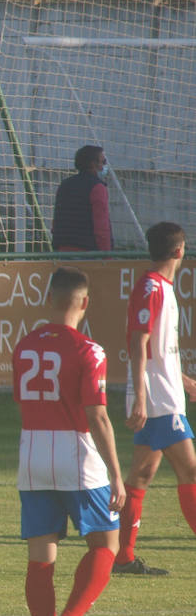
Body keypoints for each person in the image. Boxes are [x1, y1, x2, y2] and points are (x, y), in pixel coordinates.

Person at [12, 267, 124, 616]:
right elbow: (98, 416)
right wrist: (115, 472)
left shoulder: (24, 346)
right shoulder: (88, 350)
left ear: (49, 299)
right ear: (85, 303)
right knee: (108, 544)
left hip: (32, 455)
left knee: (41, 557)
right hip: (74, 456)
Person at [114, 221, 196, 576]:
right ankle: (122, 556)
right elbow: (137, 342)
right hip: (159, 401)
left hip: (162, 394)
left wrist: (185, 381)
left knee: (142, 475)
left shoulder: (159, 286)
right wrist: (141, 397)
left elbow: (158, 352)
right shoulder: (152, 287)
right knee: (190, 470)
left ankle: (122, 557)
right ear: (180, 251)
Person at [51, 145, 112, 252]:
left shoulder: (65, 184)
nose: (105, 166)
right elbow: (101, 227)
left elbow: (56, 221)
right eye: (104, 162)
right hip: (87, 252)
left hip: (62, 249)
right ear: (94, 164)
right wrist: (106, 254)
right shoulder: (97, 188)